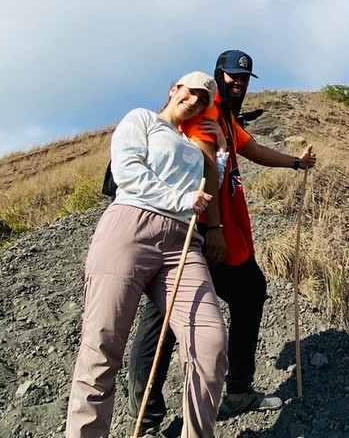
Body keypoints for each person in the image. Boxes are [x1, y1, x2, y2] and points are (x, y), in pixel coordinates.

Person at [127, 50, 317, 431]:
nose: (238, 83)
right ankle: (147, 419)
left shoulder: (226, 118)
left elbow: (254, 150)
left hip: (224, 239)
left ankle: (236, 391)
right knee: (163, 319)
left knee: (247, 293)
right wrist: (212, 230)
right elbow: (203, 168)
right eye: (231, 76)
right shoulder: (207, 113)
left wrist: (297, 163)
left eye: (244, 78)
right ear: (219, 76)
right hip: (196, 235)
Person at [66, 72, 228, 438]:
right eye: (193, 93)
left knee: (210, 342)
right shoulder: (142, 119)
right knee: (103, 343)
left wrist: (218, 153)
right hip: (130, 227)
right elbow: (127, 171)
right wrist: (181, 200)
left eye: (205, 100)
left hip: (183, 243)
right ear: (175, 89)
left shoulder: (192, 145)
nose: (197, 102)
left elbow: (206, 186)